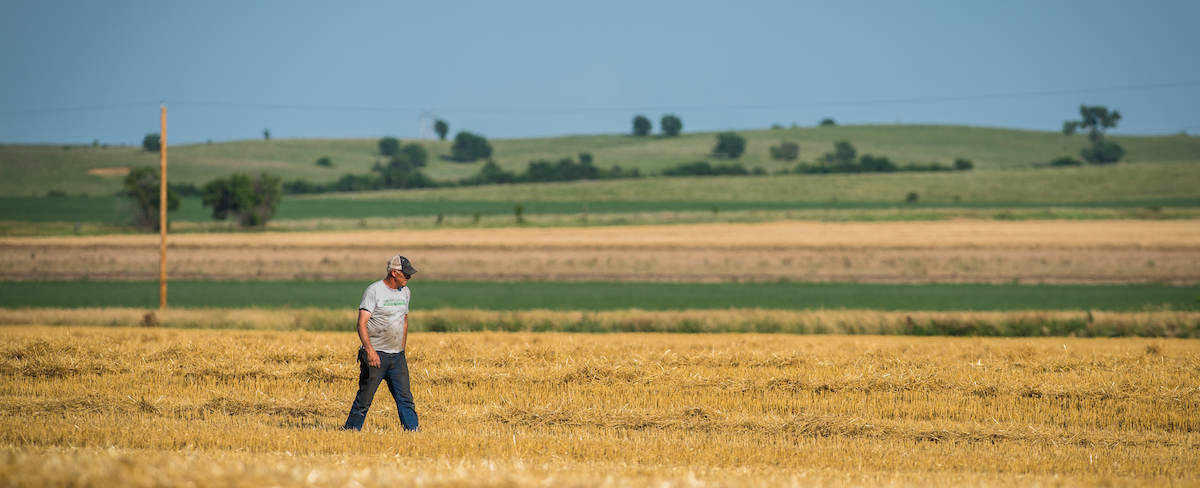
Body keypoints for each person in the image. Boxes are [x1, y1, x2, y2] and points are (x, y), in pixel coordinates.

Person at [343, 255, 420, 431]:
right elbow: (361, 323)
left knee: (405, 399)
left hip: (397, 356)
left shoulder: (405, 292)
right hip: (376, 355)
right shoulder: (374, 291)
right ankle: (351, 431)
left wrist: (402, 348)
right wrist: (370, 351)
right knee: (364, 399)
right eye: (405, 275)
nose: (408, 278)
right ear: (394, 272)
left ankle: (413, 432)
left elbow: (405, 321)